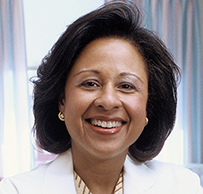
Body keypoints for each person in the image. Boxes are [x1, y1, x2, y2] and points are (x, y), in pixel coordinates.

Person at [0, 1, 202, 194]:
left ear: (149, 106)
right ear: (62, 100)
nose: (108, 101)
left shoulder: (183, 186)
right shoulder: (14, 190)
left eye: (126, 86)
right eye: (90, 83)